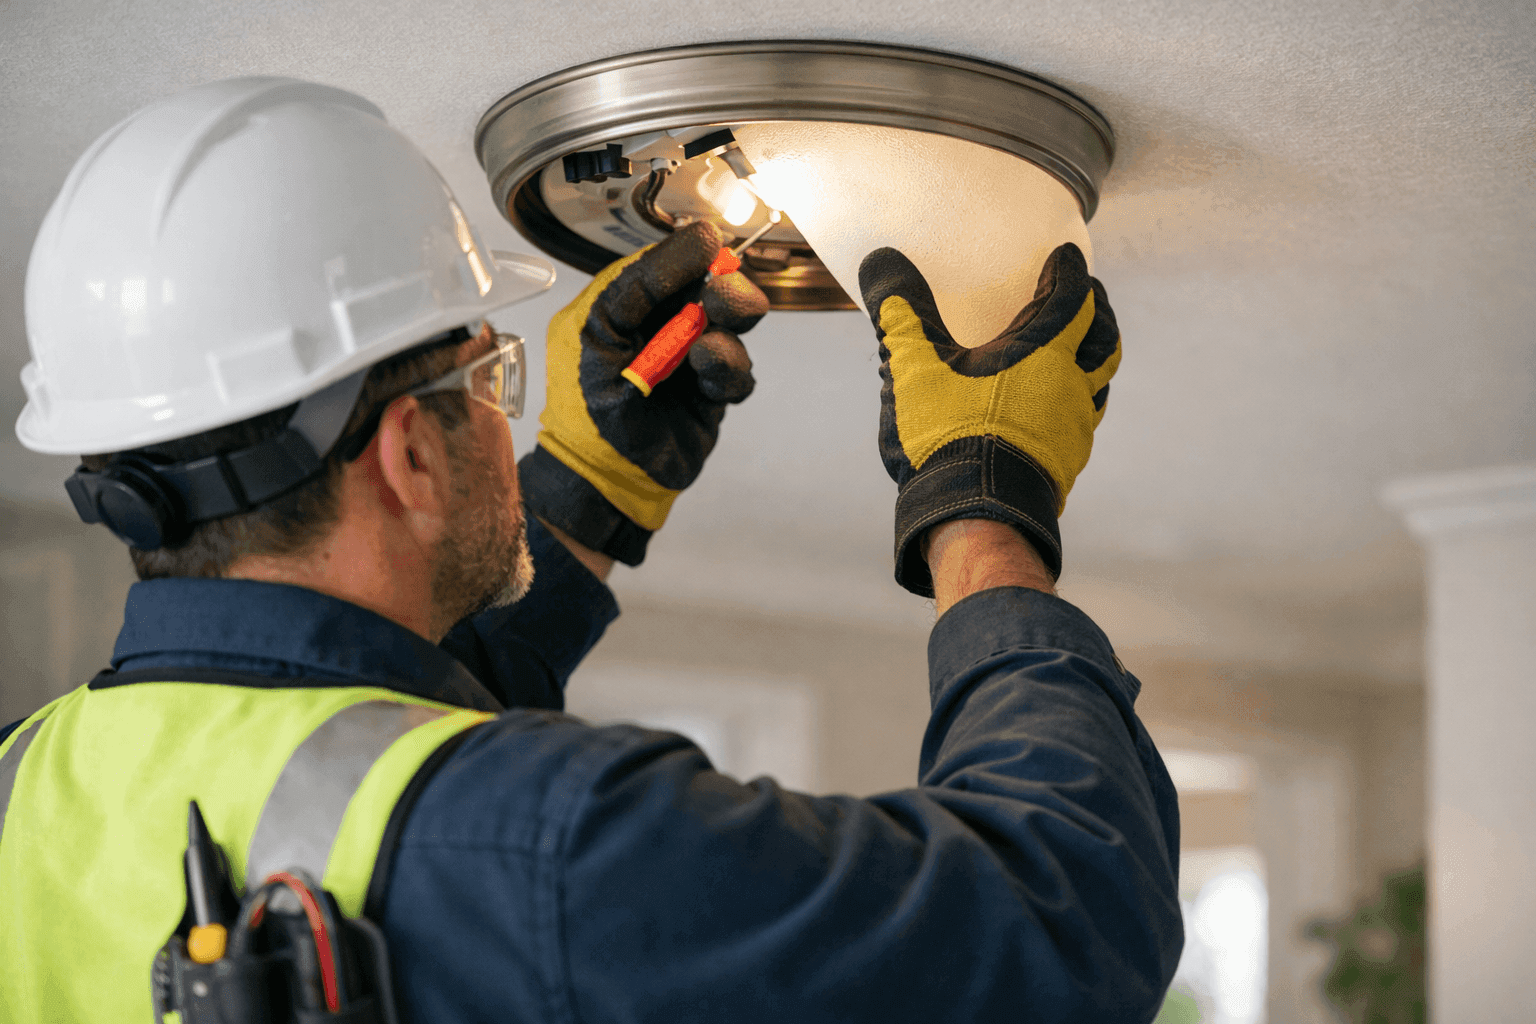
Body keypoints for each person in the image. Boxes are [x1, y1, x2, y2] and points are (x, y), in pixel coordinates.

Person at [0, 77, 1181, 1022]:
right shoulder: (554, 838)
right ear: (410, 455)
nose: (507, 410)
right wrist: (982, 509)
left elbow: (358, 761)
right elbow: (1063, 921)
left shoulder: (21, 784)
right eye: (489, 377)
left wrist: (585, 491)